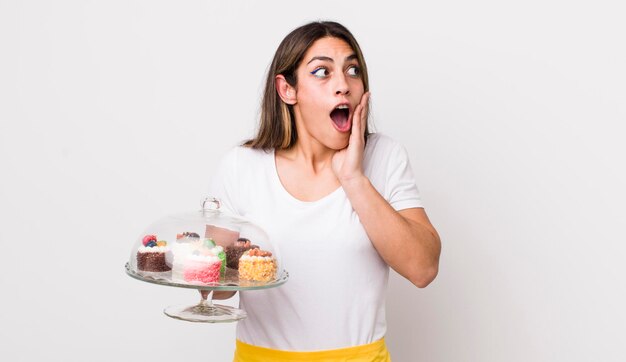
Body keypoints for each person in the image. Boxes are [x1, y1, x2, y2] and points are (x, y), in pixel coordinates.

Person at [209, 21, 441, 362]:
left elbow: (423, 269)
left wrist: (354, 178)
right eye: (322, 72)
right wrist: (213, 259)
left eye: (352, 70)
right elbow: (215, 289)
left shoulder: (384, 156)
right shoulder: (241, 166)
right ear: (288, 90)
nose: (343, 86)